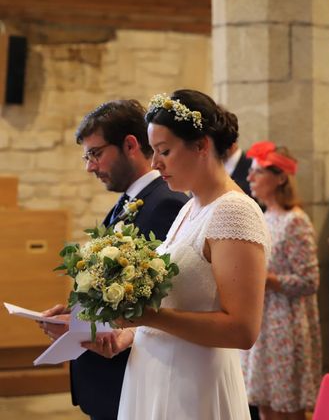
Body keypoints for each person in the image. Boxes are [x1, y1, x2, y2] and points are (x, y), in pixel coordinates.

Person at [76, 90, 269, 419]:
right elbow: (177, 304)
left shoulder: (234, 212)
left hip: (193, 384)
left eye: (164, 151)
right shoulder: (191, 207)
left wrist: (148, 317)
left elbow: (242, 330)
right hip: (154, 370)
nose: (154, 163)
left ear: (201, 145)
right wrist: (128, 333)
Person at [39, 99, 188, 420]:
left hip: (129, 376)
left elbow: (165, 301)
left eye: (95, 153)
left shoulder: (166, 204)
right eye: (87, 156)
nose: (89, 166)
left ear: (130, 144)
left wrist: (88, 325)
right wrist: (76, 314)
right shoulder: (129, 201)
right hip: (108, 378)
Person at [241, 141, 321, 420]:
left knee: (287, 409)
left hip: (285, 324)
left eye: (257, 172)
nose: (249, 177)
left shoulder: (294, 221)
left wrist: (266, 278)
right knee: (264, 405)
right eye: (251, 171)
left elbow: (310, 281)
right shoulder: (265, 216)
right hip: (264, 323)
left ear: (280, 177)